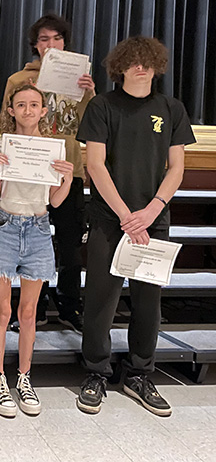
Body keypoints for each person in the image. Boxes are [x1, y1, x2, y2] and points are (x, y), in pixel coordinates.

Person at [75, 37, 195, 417]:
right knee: (100, 301)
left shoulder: (171, 109)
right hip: (111, 220)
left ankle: (140, 373)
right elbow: (95, 165)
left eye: (146, 61)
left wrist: (151, 210)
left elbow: (176, 168)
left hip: (153, 222)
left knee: (148, 303)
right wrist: (128, 214)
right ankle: (96, 372)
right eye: (132, 61)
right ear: (120, 67)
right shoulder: (102, 106)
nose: (140, 67)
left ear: (157, 66)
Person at [1, 14, 95, 333]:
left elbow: (86, 126)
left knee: (70, 245)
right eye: (44, 39)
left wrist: (89, 94)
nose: (51, 45)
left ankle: (70, 305)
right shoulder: (18, 80)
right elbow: (6, 125)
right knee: (30, 243)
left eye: (56, 39)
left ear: (65, 43)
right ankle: (33, 309)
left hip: (68, 170)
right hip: (28, 174)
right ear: (35, 45)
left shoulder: (79, 80)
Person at [0, 84, 73, 418]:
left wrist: (65, 179)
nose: (27, 110)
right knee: (2, 311)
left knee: (28, 312)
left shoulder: (55, 148)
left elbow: (54, 200)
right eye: (20, 105)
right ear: (10, 110)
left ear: (43, 110)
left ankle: (24, 377)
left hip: (37, 228)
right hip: (5, 226)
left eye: (34, 105)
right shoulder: (0, 144)